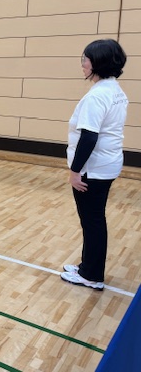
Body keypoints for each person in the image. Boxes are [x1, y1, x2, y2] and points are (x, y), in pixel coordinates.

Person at [61, 39, 128, 290]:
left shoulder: (98, 96)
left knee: (92, 221)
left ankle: (91, 275)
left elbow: (89, 137)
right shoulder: (115, 90)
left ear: (98, 63)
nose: (82, 64)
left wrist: (75, 171)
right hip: (107, 164)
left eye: (85, 60)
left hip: (94, 168)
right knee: (93, 219)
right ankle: (87, 266)